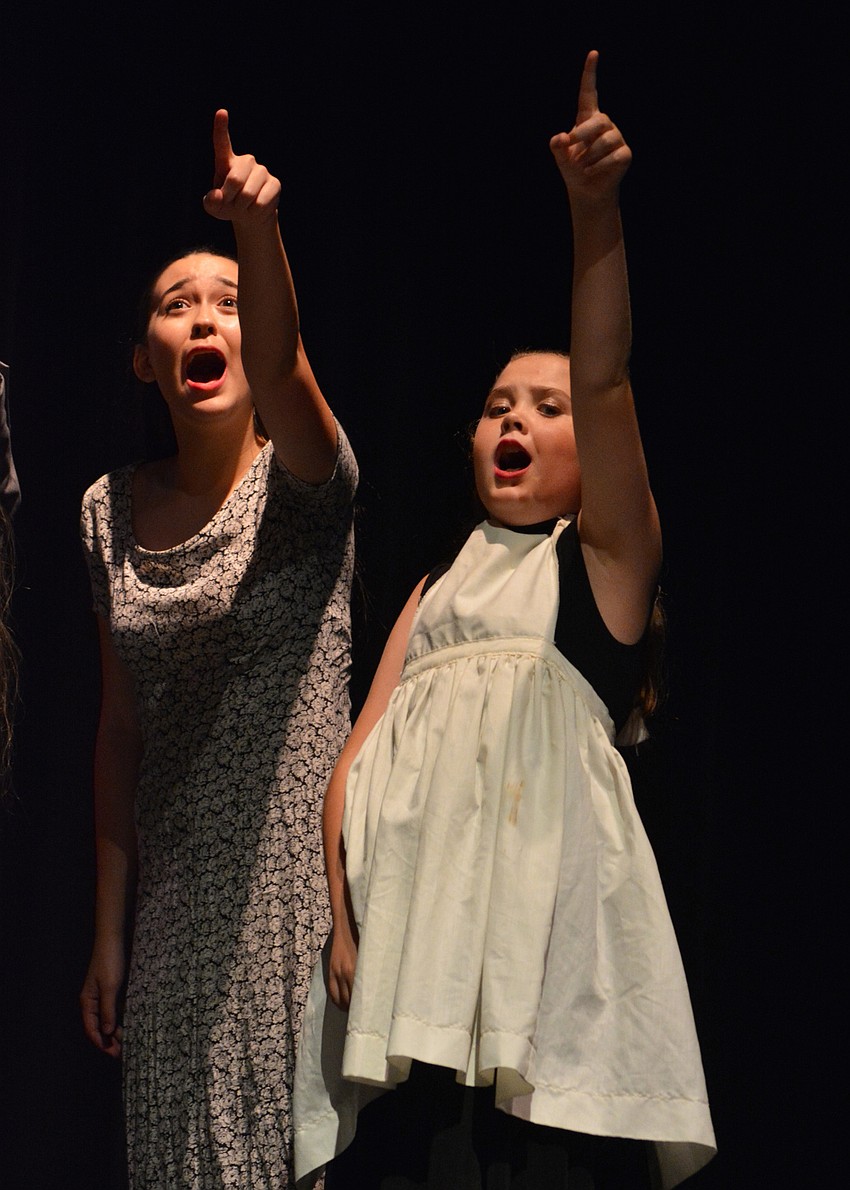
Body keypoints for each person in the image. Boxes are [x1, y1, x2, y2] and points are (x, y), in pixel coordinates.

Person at [294, 52, 715, 1189]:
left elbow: (609, 371)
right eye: (493, 407)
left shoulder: (602, 569)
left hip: (537, 989)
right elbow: (358, 756)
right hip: (412, 973)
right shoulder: (438, 590)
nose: (513, 421)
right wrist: (341, 917)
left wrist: (593, 217)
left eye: (545, 406)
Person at [79, 111, 358, 1187]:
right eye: (175, 304)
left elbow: (286, 362)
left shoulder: (306, 488)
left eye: (228, 304)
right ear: (142, 359)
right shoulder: (103, 511)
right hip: (175, 924)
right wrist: (110, 932)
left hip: (294, 908)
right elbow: (117, 732)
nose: (204, 319)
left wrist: (259, 230)